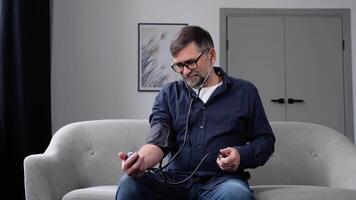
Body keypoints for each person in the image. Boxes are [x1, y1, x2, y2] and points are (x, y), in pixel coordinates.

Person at [115, 25, 275, 200]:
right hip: (174, 180)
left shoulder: (245, 92)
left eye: (190, 63)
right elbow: (158, 139)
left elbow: (265, 141)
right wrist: (141, 161)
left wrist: (241, 155)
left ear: (211, 56)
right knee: (129, 183)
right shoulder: (168, 94)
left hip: (223, 182)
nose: (184, 71)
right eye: (178, 66)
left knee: (236, 194)